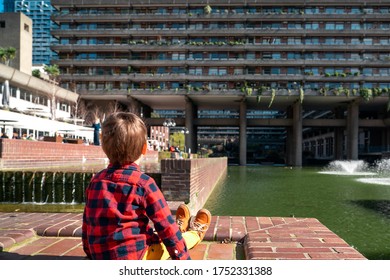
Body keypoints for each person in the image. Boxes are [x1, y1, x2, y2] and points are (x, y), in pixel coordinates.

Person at [82, 112, 211, 260]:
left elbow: (88, 223)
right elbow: (166, 226)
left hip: (100, 255)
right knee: (167, 241)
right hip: (136, 257)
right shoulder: (144, 184)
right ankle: (194, 234)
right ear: (144, 149)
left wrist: (89, 253)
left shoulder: (95, 181)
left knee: (147, 232)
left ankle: (181, 227)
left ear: (103, 147)